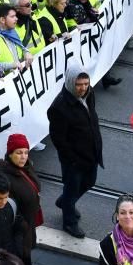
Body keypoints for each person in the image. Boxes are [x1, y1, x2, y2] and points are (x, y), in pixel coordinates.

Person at [49, 66, 101, 239]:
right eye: (79, 84)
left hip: (90, 153)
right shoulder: (59, 107)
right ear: (71, 82)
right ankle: (69, 222)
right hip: (74, 159)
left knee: (90, 181)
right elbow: (58, 139)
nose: (83, 88)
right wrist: (72, 159)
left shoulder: (89, 94)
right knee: (72, 189)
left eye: (86, 84)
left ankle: (64, 202)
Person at [0, 133, 44, 265]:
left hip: (27, 223)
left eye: (26, 152)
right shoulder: (5, 176)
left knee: (25, 256)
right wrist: (21, 226)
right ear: (10, 154)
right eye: (19, 152)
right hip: (17, 227)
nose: (23, 156)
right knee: (22, 258)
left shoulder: (25, 168)